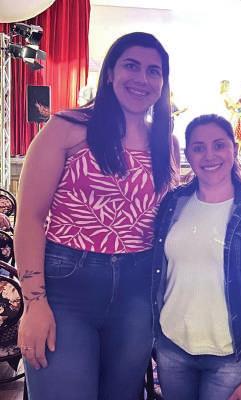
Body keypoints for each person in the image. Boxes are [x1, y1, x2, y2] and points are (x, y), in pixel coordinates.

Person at [14, 32, 179, 400]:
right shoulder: (67, 126)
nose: (142, 78)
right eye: (131, 66)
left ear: (163, 82)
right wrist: (34, 302)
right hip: (67, 286)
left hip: (138, 290)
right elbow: (30, 217)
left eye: (154, 71)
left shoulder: (167, 143)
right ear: (110, 73)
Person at [152, 114, 241, 400]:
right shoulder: (172, 203)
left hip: (231, 357)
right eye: (198, 147)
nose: (209, 155)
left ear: (234, 149)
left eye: (219, 145)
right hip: (172, 348)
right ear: (188, 153)